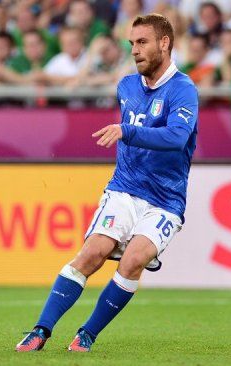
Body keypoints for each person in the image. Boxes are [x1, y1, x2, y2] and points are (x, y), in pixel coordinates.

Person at [16, 13, 199, 353]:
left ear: (165, 43)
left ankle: (87, 333)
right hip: (125, 190)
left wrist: (127, 131)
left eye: (142, 42)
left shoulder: (184, 90)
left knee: (132, 261)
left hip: (165, 200)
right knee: (92, 253)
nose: (135, 50)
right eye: (131, 43)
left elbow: (176, 137)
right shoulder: (126, 86)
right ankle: (40, 330)